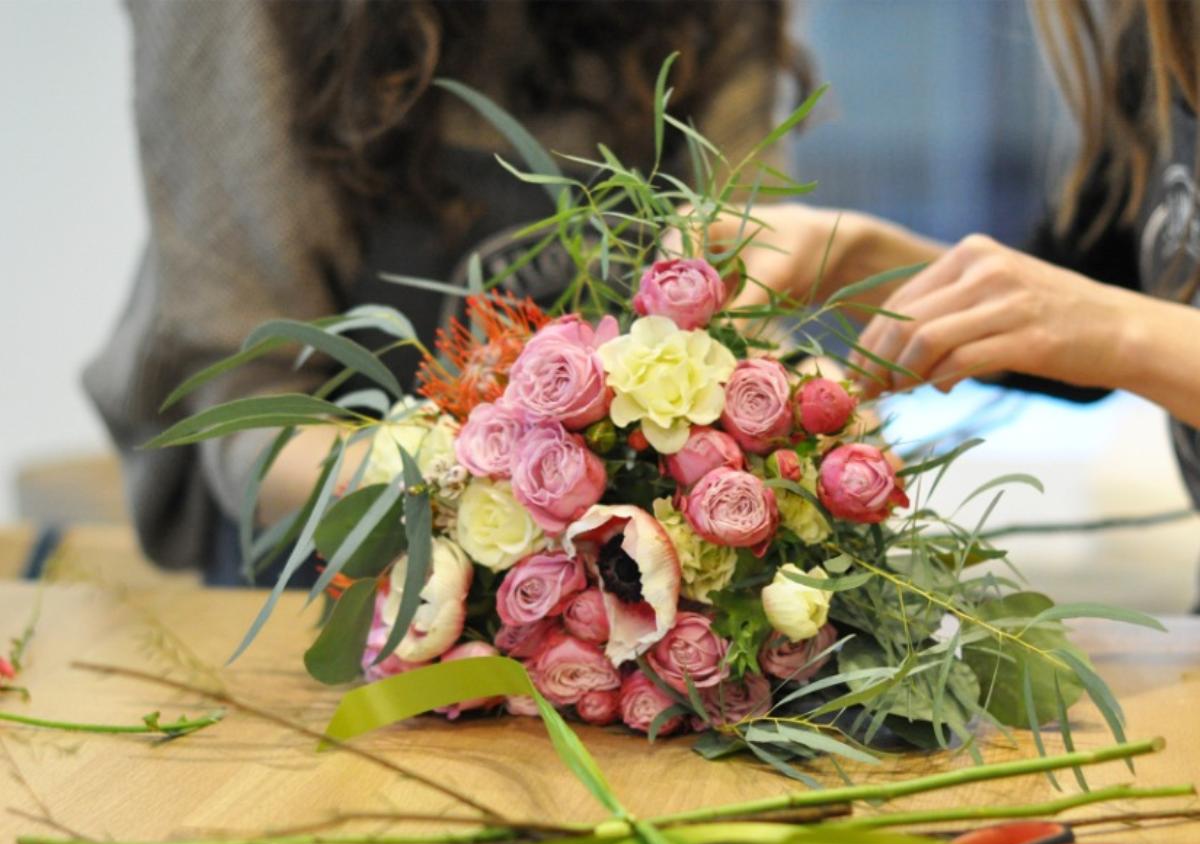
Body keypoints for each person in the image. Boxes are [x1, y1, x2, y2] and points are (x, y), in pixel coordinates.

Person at [84, 0, 805, 583]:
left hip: (620, 576)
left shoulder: (710, 13)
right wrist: (518, 500)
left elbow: (740, 303)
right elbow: (255, 416)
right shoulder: (242, 19)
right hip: (332, 562)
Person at [707, 0, 1200, 523]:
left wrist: (1121, 332)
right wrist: (853, 258)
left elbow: (1095, 320)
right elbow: (1081, 310)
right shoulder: (1155, 29)